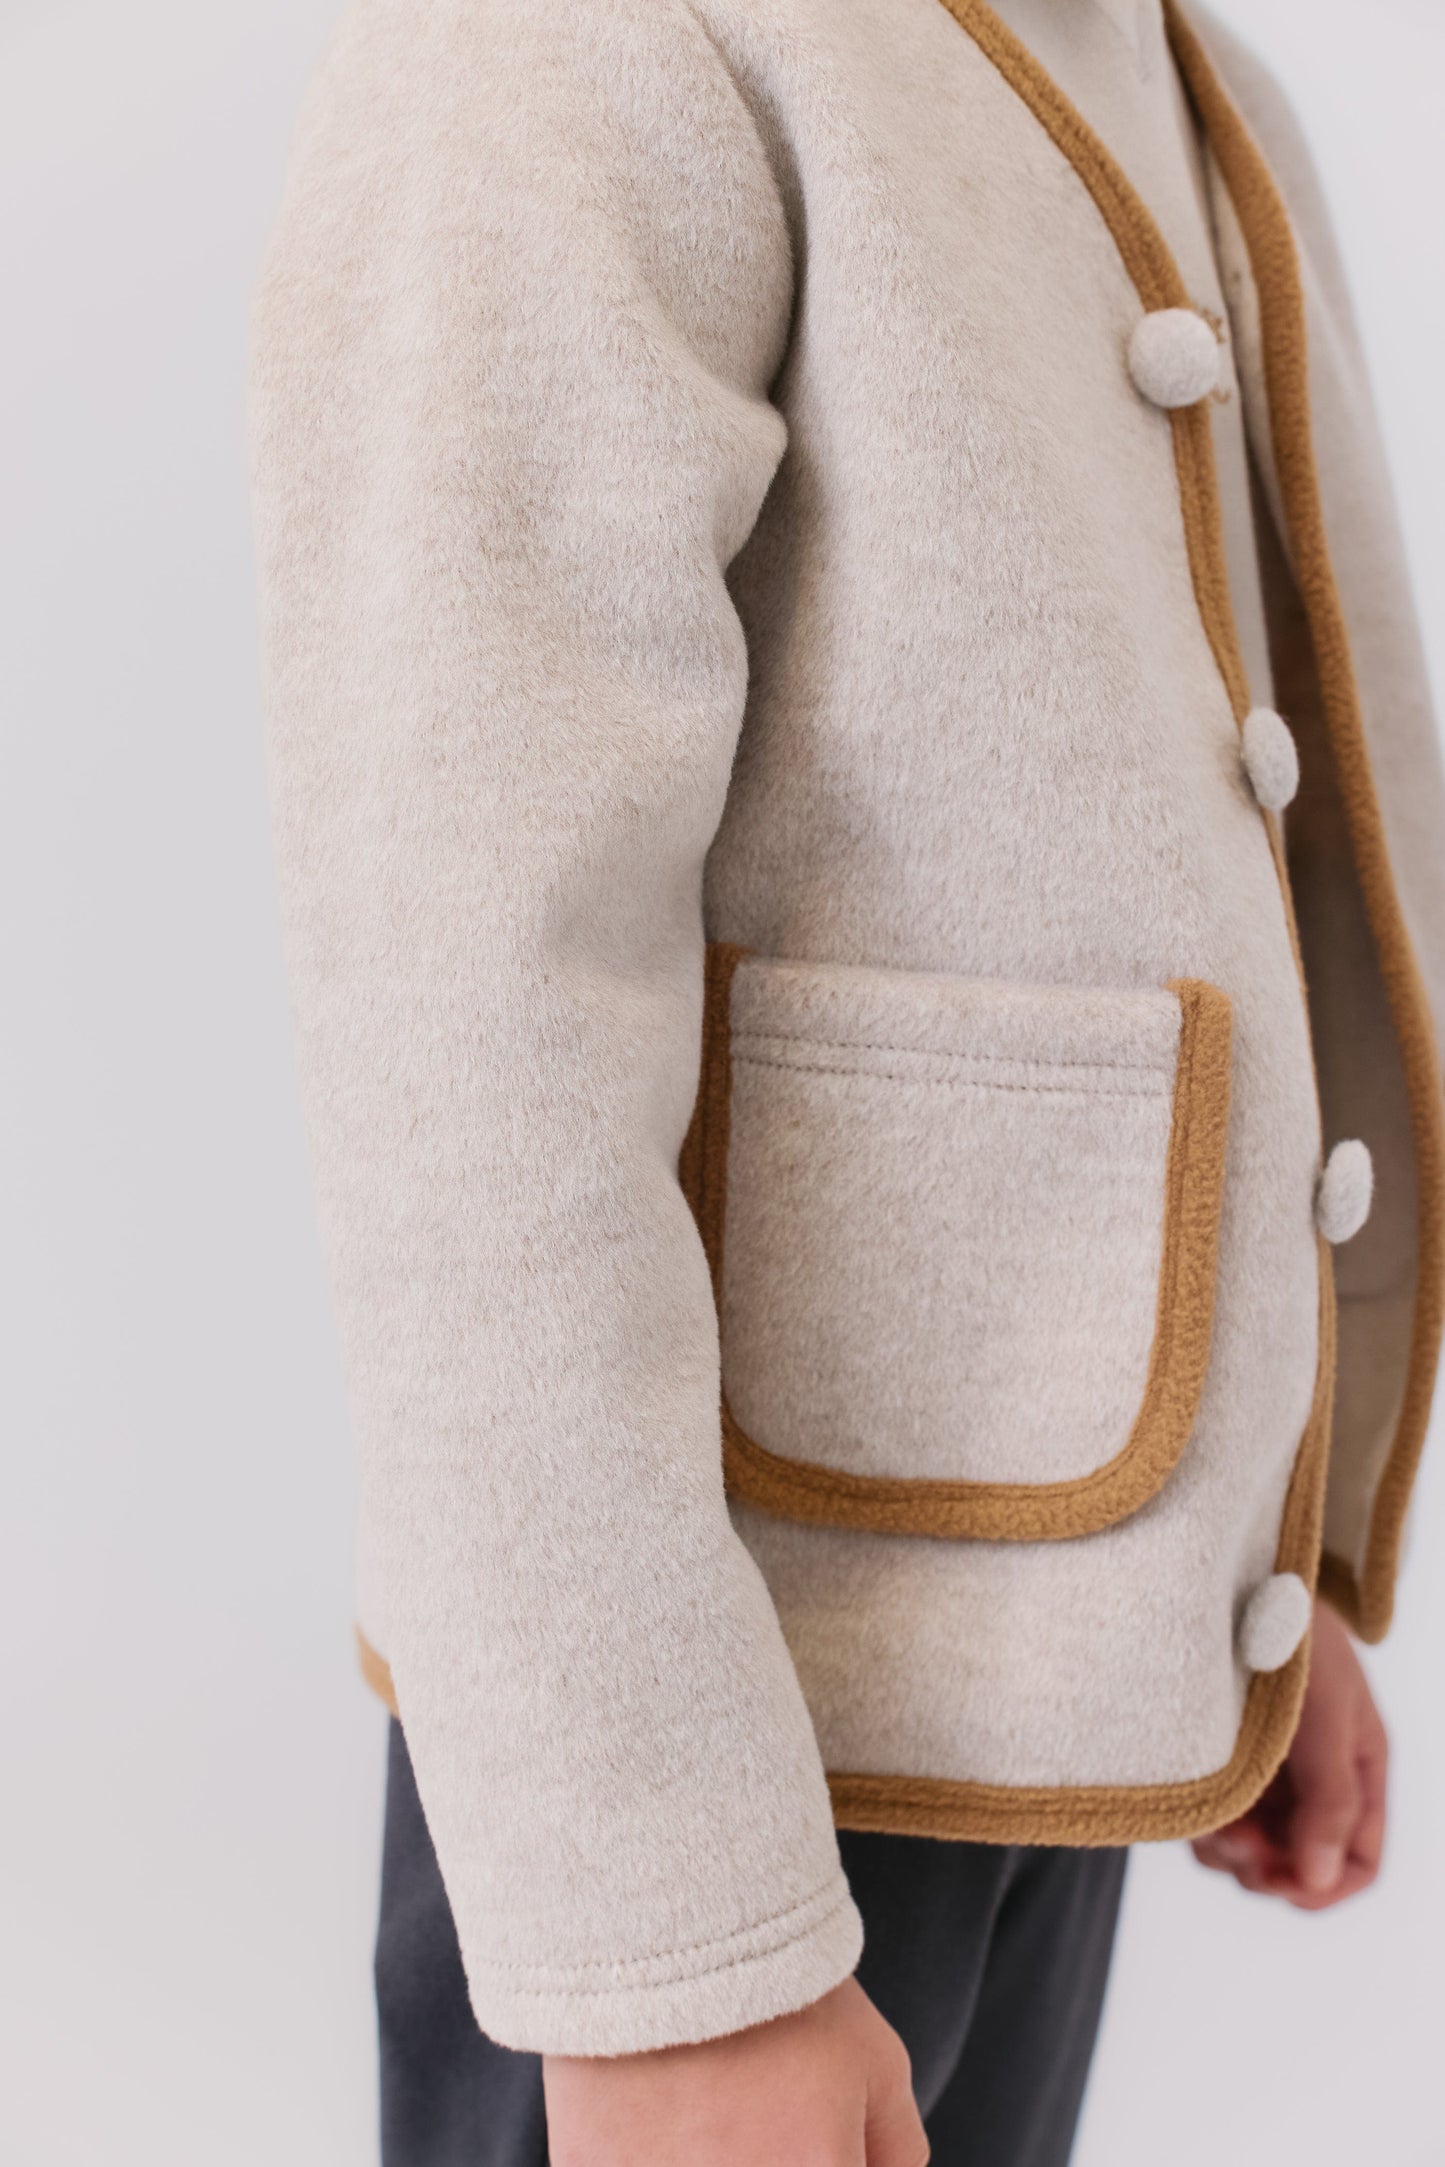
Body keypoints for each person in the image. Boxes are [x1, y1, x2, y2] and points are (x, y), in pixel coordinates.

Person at [249, 1, 1445, 2160]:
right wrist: (664, 1944)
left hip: (1026, 1664)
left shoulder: (1165, 58)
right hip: (685, 1750)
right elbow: (467, 1040)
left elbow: (1183, 833)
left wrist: (1210, 1558)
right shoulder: (570, 41)